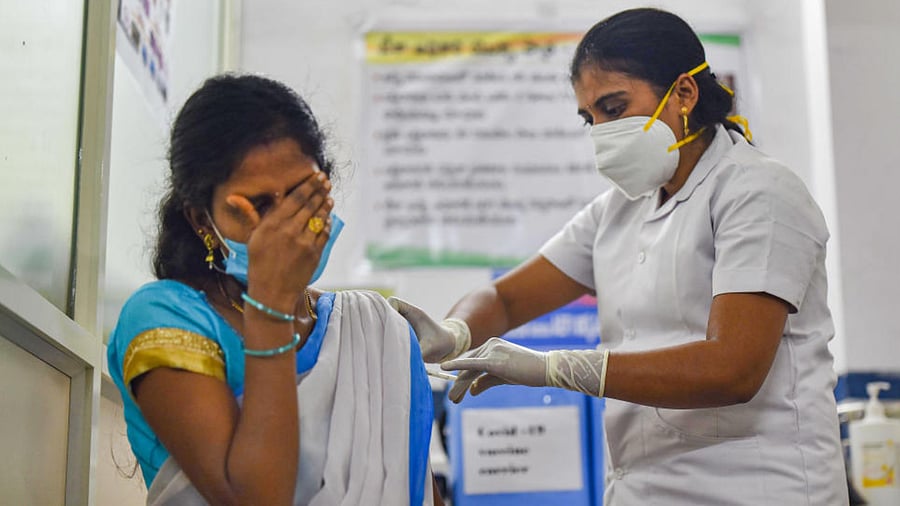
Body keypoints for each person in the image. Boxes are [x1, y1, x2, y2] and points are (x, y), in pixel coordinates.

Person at [389, 8, 848, 505]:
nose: (601, 131)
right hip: (643, 490)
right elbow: (503, 298)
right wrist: (455, 331)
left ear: (684, 95)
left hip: (756, 488)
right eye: (590, 118)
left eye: (614, 107)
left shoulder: (758, 191)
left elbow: (732, 368)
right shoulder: (619, 209)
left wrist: (555, 368)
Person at [107, 74, 439, 505]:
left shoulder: (375, 332)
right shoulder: (164, 317)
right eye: (260, 205)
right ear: (201, 221)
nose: (289, 225)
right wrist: (270, 306)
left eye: (303, 196)